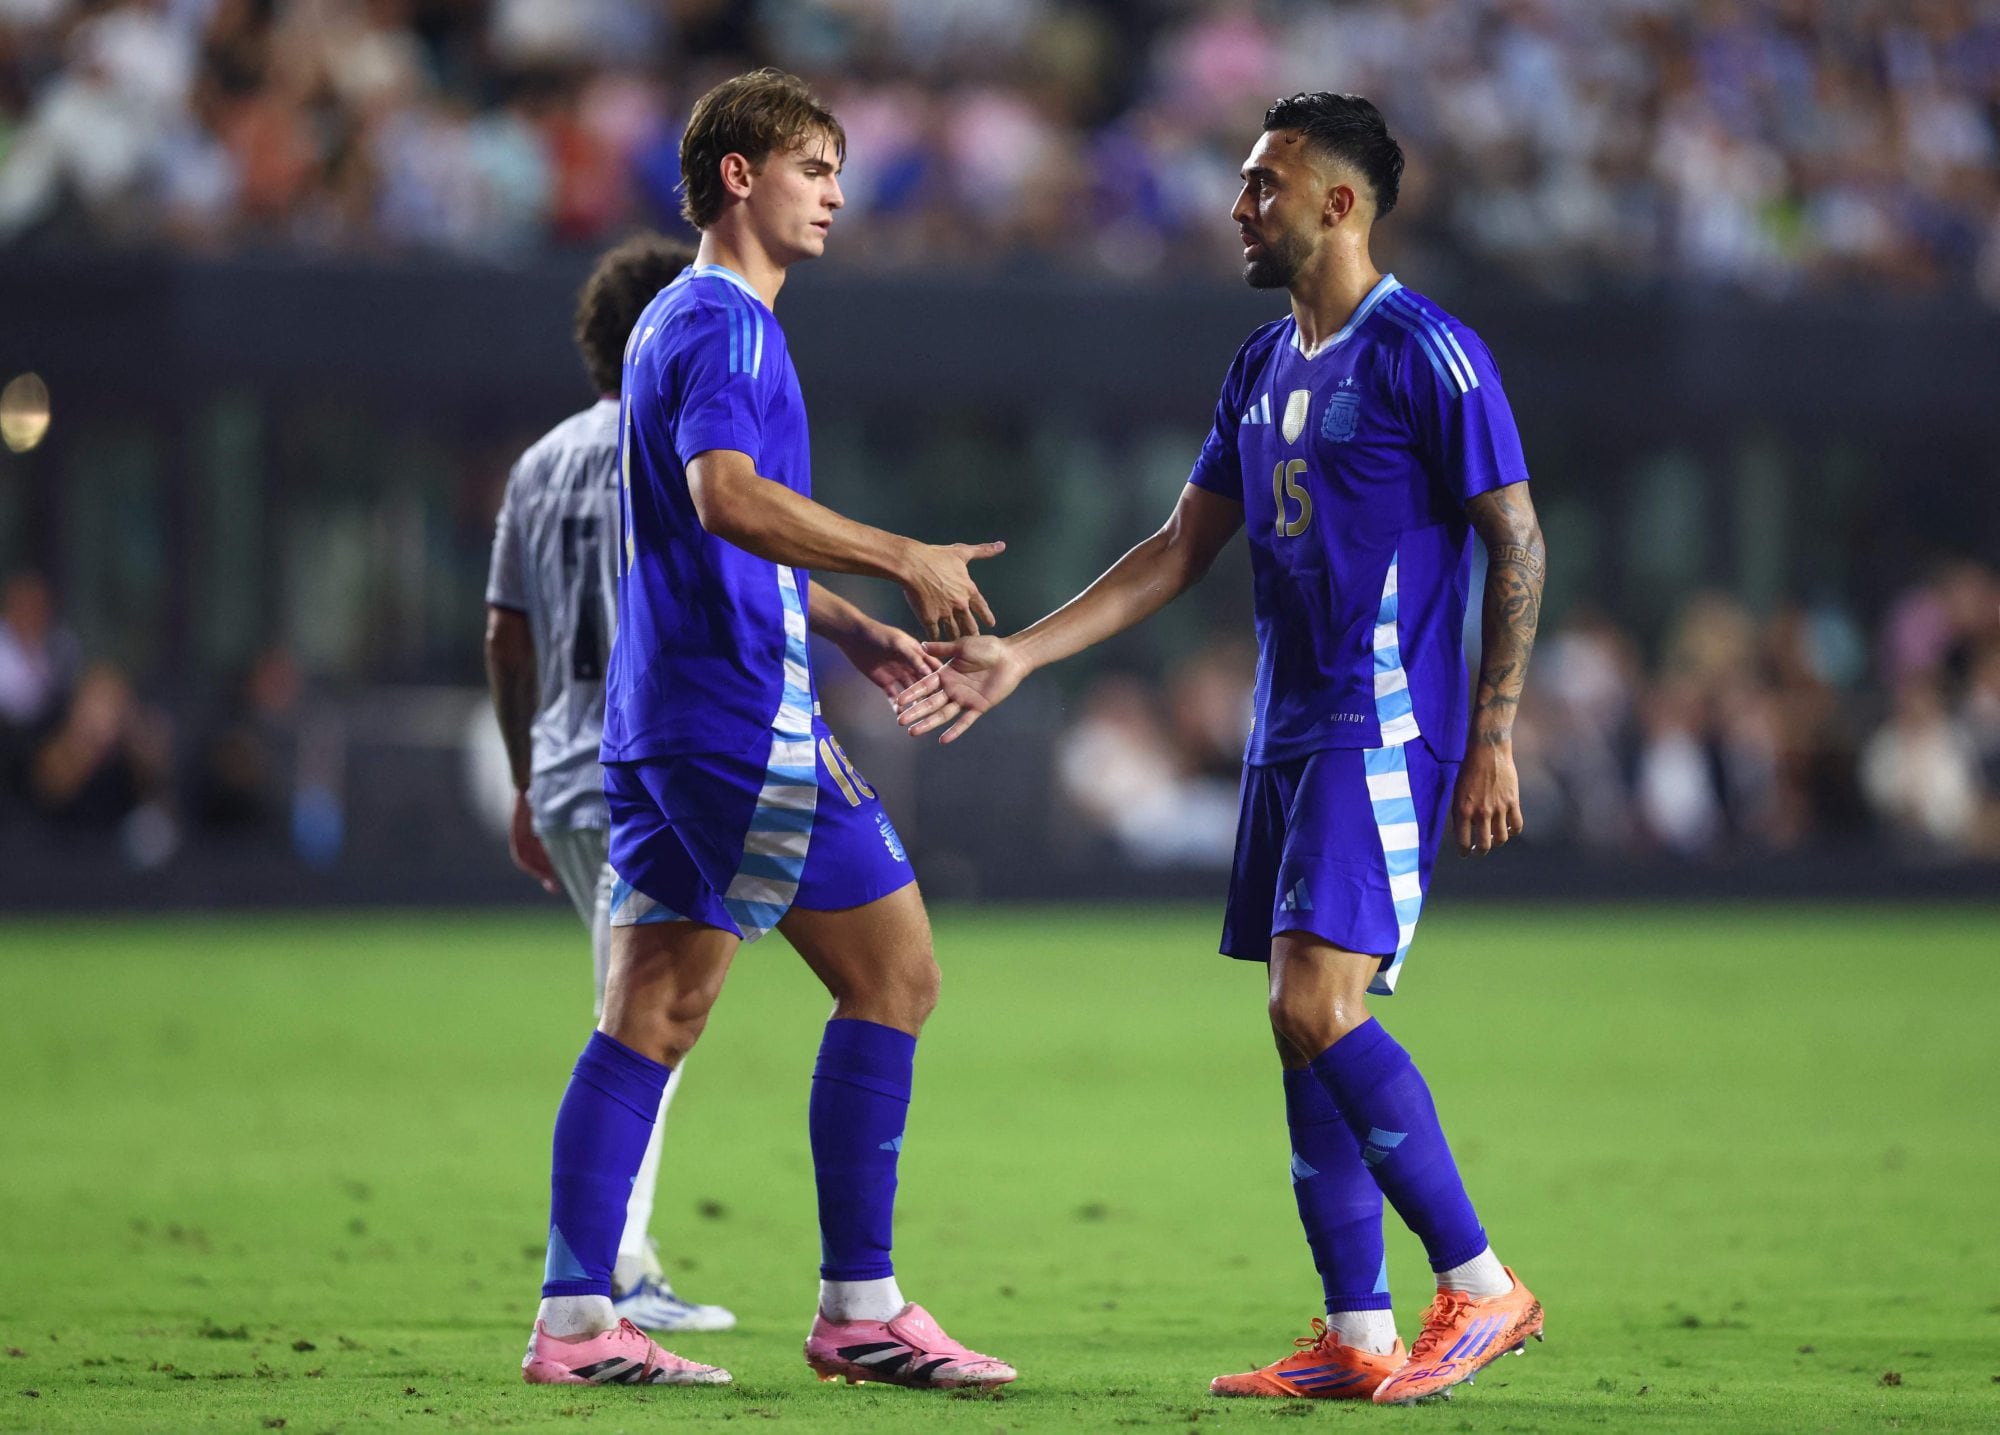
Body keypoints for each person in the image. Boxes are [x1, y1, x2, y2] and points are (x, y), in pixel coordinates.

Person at [894, 92, 1547, 1407]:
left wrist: (1494, 734)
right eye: (1245, 183)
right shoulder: (1262, 365)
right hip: (1286, 731)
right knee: (1299, 1022)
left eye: (1266, 184)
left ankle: (1481, 1285)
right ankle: (1357, 1329)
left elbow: (1516, 537)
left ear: (1341, 204)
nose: (1240, 205)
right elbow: (1180, 548)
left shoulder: (1428, 352)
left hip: (1378, 725)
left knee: (1317, 1006)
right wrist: (1023, 651)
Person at [518, 68, 1017, 1391]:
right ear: (737, 174)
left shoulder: (675, 324)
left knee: (651, 1008)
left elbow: (714, 530)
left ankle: (575, 1319)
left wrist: (850, 625)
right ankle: (861, 1305)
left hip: (658, 719)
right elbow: (726, 495)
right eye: (814, 169)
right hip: (736, 717)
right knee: (896, 975)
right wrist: (904, 553)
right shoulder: (727, 322)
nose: (838, 195)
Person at [484, 232, 734, 1335]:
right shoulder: (671, 444)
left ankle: (616, 1262)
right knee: (646, 1021)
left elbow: (506, 635)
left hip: (567, 763)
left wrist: (524, 779)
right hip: (654, 761)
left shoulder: (537, 461)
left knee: (636, 1007)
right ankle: (609, 1271)